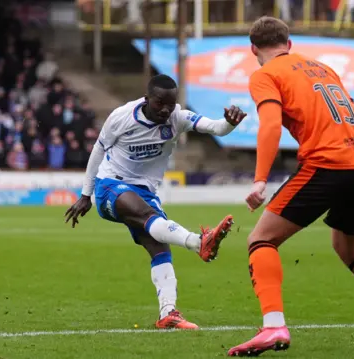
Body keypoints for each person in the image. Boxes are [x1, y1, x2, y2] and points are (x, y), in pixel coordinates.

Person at [227, 16, 354, 357]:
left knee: (261, 238)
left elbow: (271, 125)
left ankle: (273, 326)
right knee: (349, 249)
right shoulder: (321, 68)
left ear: (253, 50)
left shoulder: (265, 74)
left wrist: (260, 179)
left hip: (327, 162)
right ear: (289, 44)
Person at [64, 74, 245, 330]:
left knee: (160, 249)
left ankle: (168, 312)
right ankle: (198, 242)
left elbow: (215, 128)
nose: (165, 110)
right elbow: (98, 149)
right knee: (148, 216)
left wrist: (230, 123)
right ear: (147, 98)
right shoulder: (121, 117)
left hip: (145, 191)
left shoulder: (177, 117)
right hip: (110, 185)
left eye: (171, 104)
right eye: (160, 103)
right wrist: (85, 194)